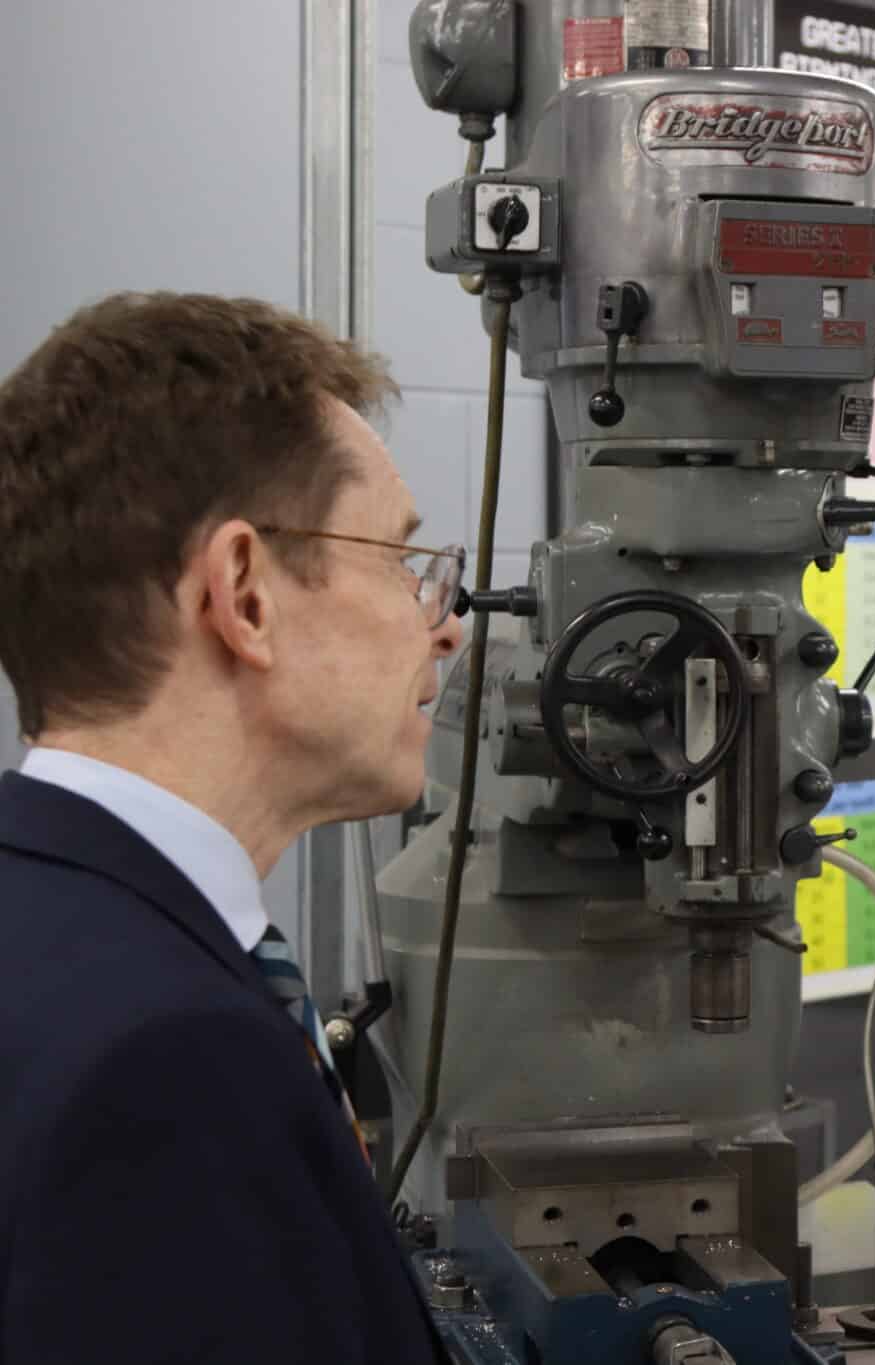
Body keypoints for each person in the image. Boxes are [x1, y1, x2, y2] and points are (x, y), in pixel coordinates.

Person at [0, 293, 464, 1362]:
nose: (438, 625)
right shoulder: (168, 1068)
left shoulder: (50, 931)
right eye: (399, 561)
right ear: (244, 594)